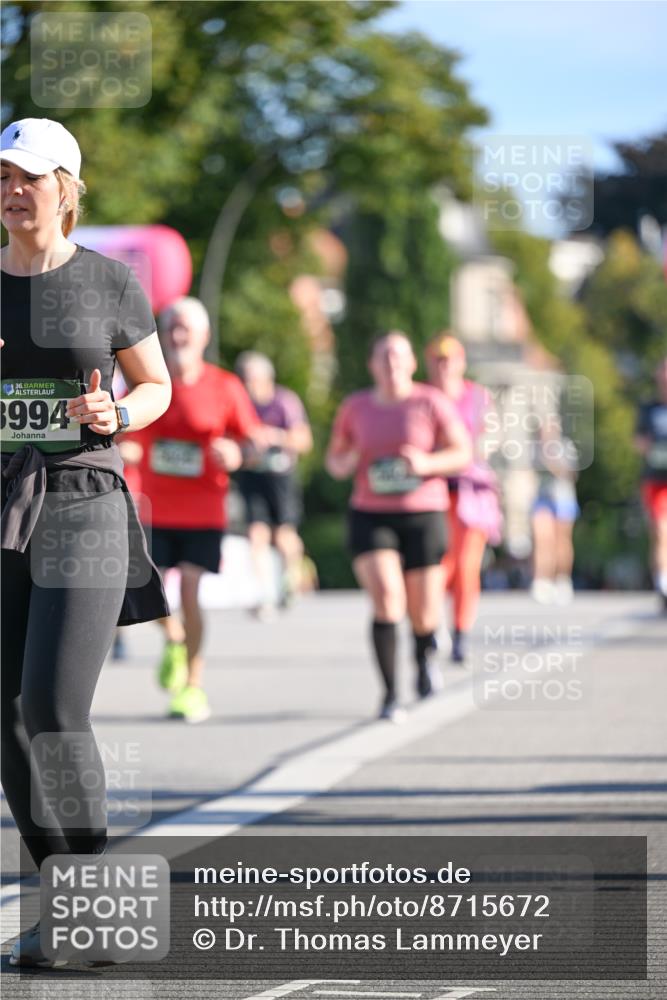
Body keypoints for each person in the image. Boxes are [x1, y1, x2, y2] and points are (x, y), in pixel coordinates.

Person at [1, 118, 171, 967]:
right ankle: (68, 902)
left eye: (28, 176)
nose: (11, 190)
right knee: (4, 717)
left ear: (66, 186)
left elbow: (156, 386)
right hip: (1, 510)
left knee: (55, 709)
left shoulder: (110, 281)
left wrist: (118, 414)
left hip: (84, 504)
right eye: (1, 176)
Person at [119, 297, 261, 722]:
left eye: (186, 329)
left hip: (204, 511)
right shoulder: (150, 382)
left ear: (204, 337)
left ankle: (193, 686)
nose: (178, 336)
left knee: (190, 592)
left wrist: (237, 454)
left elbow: (252, 442)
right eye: (172, 328)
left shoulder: (225, 386)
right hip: (155, 510)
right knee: (144, 590)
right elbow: (122, 423)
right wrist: (122, 444)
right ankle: (175, 637)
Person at [325, 331, 471, 721]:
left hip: (423, 513)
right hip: (371, 513)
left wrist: (426, 464)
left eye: (399, 357)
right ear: (373, 365)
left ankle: (424, 657)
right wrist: (347, 461)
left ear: (410, 364)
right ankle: (390, 693)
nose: (392, 365)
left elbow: (462, 453)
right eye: (384, 357)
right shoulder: (356, 407)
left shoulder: (431, 402)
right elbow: (335, 461)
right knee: (388, 598)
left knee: (424, 612)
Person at [425, 333, 503, 663]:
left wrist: (472, 451)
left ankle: (461, 632)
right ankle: (432, 626)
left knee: (467, 566)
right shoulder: (425, 398)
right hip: (434, 489)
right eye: (439, 361)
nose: (445, 367)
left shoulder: (477, 396)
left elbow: (493, 434)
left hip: (470, 491)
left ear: (461, 363)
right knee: (438, 565)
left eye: (450, 360)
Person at [235, 351, 313, 617]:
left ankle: (291, 578)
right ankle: (264, 593)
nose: (248, 385)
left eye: (253, 379)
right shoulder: (242, 404)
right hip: (253, 473)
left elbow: (304, 440)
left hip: (281, 477)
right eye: (244, 379)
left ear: (267, 378)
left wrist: (275, 437)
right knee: (256, 534)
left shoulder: (284, 401)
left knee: (283, 535)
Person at [529, 412, 579, 605]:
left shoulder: (565, 446)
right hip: (542, 498)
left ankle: (563, 579)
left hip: (563, 497)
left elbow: (571, 474)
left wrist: (553, 463)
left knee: (562, 542)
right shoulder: (535, 448)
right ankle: (542, 580)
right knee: (542, 539)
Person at [635, 355, 667, 611]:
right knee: (659, 531)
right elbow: (639, 441)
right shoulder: (649, 408)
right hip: (655, 478)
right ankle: (662, 584)